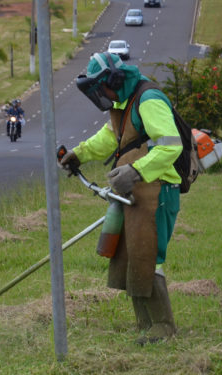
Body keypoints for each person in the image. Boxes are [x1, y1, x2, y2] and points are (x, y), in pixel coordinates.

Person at [59, 52, 182, 345]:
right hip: (137, 191)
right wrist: (79, 154)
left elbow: (171, 146)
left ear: (114, 79)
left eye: (101, 89)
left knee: (148, 254)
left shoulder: (148, 100)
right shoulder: (123, 104)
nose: (100, 95)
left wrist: (136, 171)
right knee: (131, 255)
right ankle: (146, 324)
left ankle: (164, 327)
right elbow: (109, 138)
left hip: (160, 189)